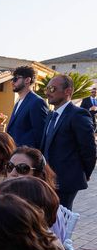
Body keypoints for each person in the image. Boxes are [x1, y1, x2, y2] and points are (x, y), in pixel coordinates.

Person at [41, 74, 96, 209]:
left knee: (61, 221)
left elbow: (89, 150)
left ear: (68, 91)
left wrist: (83, 173)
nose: (48, 93)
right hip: (46, 178)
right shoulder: (51, 115)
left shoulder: (78, 115)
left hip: (65, 181)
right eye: (47, 89)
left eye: (52, 89)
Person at [5, 65, 48, 148]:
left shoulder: (37, 102)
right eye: (12, 79)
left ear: (27, 80)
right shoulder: (18, 103)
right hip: (14, 154)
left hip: (27, 156)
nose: (12, 82)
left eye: (15, 79)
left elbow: (41, 135)